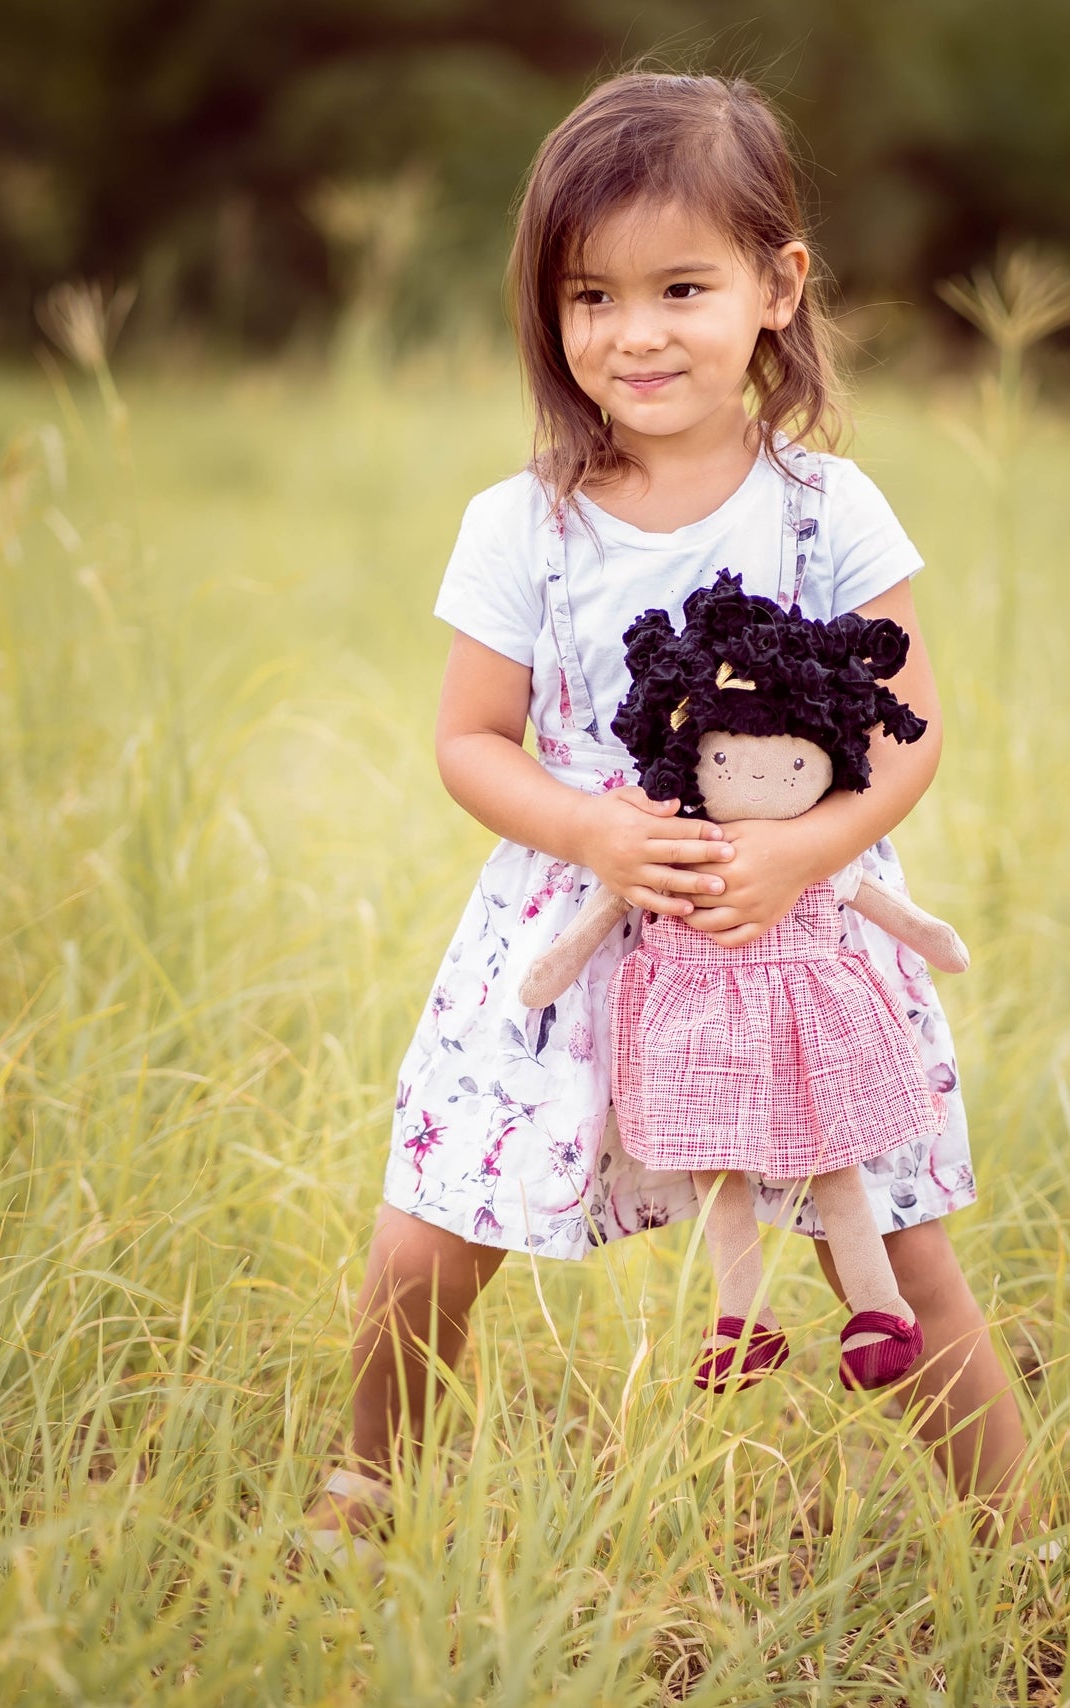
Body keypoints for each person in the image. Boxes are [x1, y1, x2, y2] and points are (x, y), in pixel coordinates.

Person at [307, 70, 1024, 1563]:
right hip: (576, 922)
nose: (634, 333)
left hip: (800, 938)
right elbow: (468, 741)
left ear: (778, 285)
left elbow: (915, 728)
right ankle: (367, 1485)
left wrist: (810, 850)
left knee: (890, 1252)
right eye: (590, 296)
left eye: (683, 287)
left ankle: (1026, 1544)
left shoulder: (830, 509)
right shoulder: (526, 522)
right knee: (430, 1232)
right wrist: (589, 831)